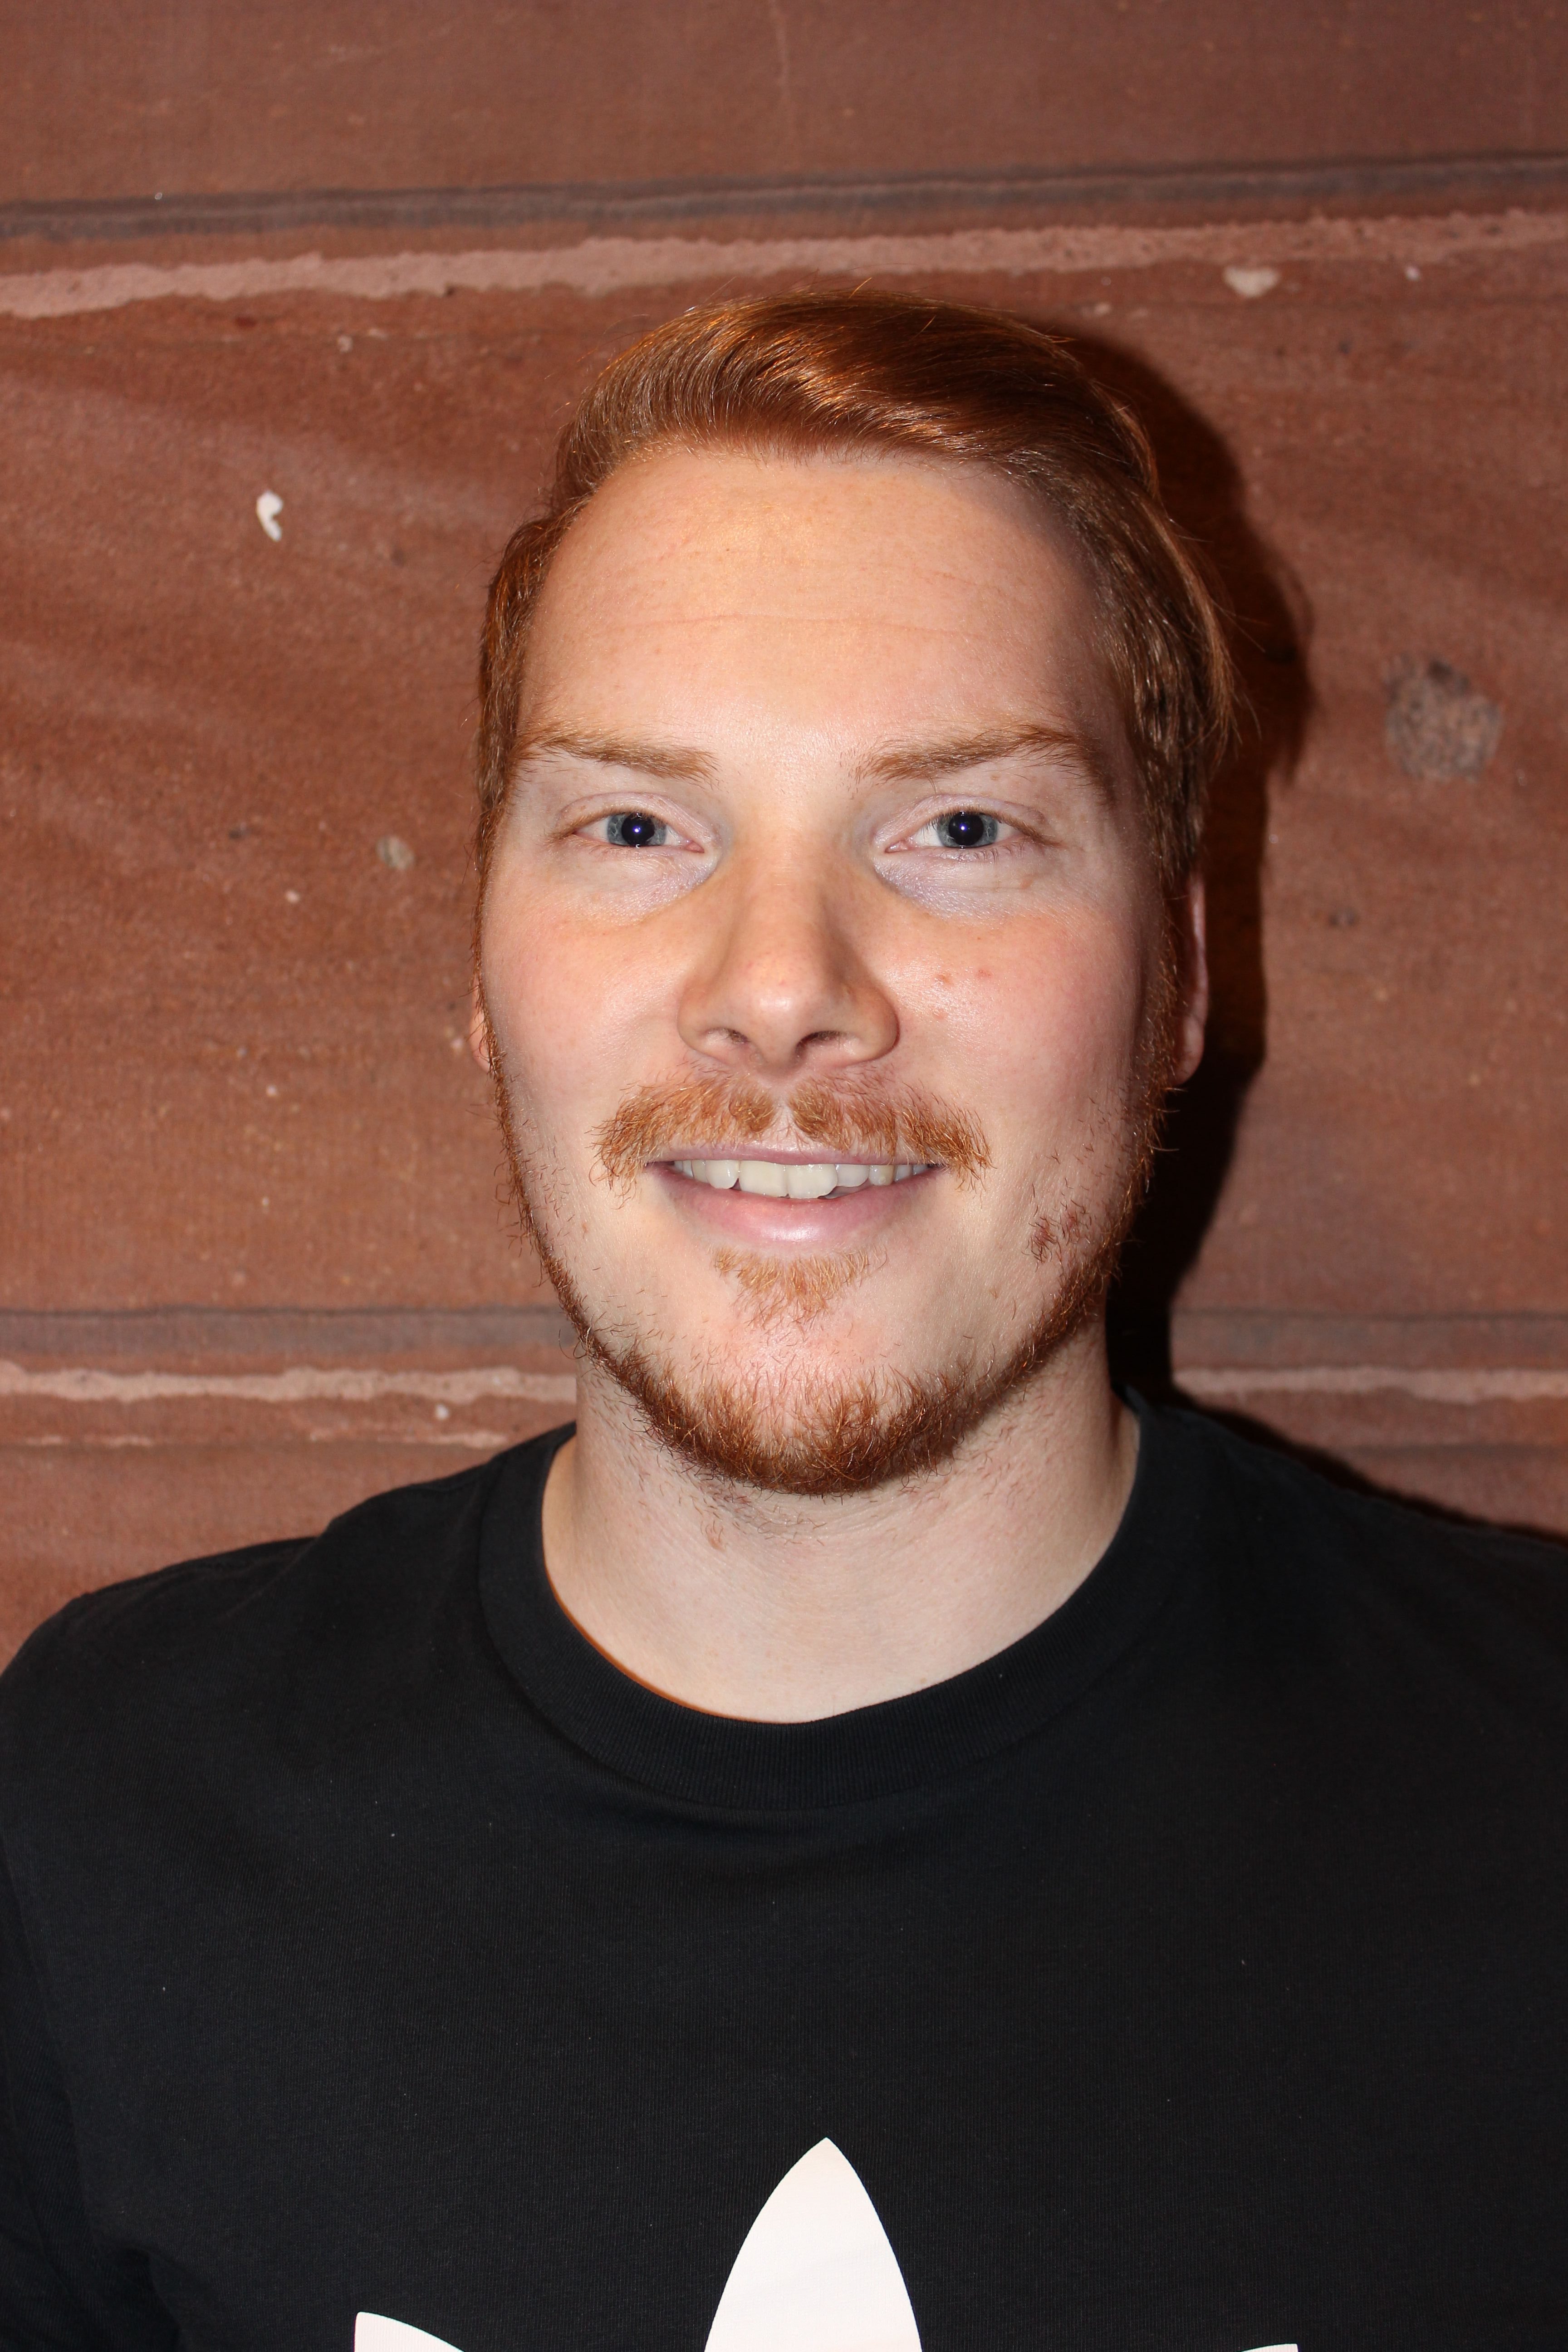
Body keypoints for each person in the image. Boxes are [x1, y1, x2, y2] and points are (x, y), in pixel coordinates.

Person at [1, 291, 1563, 2352]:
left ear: (1182, 975)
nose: (781, 987)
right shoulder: (99, 1821)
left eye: (962, 829)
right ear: (484, 967)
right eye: (639, 827)